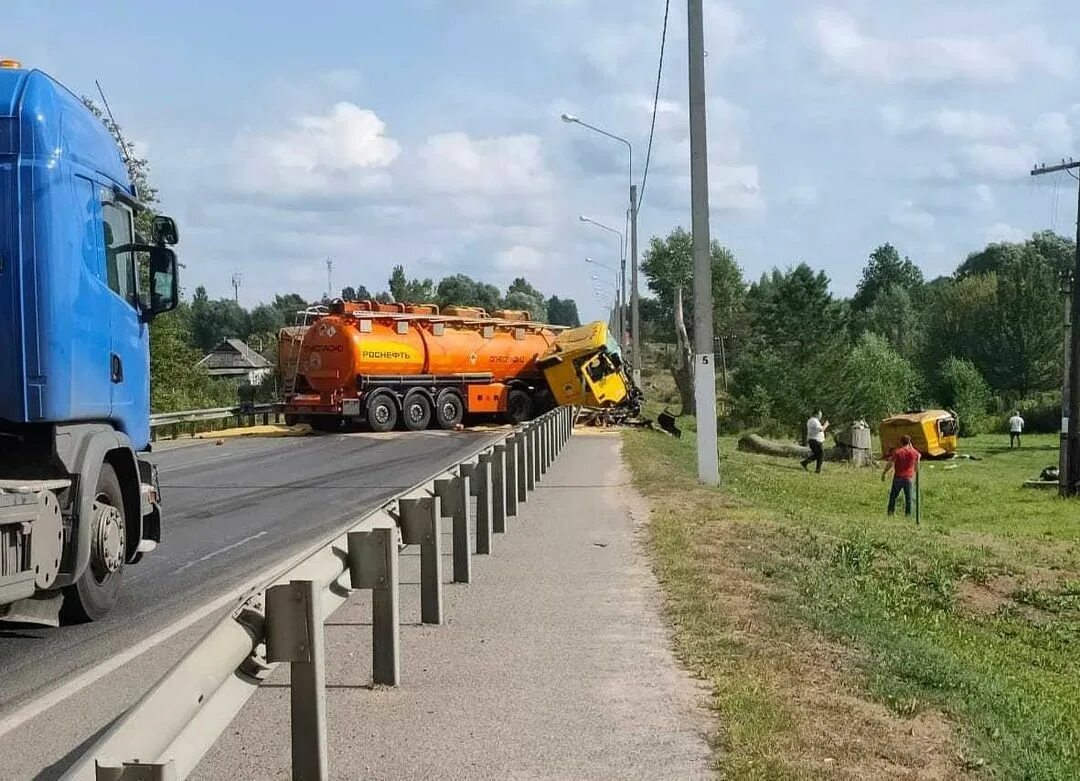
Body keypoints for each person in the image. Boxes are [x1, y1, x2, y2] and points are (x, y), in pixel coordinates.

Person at [882, 434, 920, 517]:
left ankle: (891, 512)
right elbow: (918, 462)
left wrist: (884, 473)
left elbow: (890, 463)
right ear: (910, 442)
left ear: (901, 442)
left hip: (898, 477)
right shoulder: (914, 453)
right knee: (908, 498)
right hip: (909, 478)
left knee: (893, 496)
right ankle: (908, 514)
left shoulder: (898, 452)